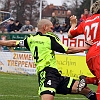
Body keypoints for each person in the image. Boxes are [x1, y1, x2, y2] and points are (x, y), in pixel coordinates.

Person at [0, 19, 97, 100]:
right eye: (51, 28)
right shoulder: (49, 38)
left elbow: (12, 43)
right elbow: (67, 50)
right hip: (47, 74)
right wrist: (84, 48)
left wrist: (1, 42)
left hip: (56, 75)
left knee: (84, 89)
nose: (52, 30)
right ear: (45, 27)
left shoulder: (31, 40)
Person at [68, 1, 100, 100]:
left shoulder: (86, 22)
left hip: (90, 55)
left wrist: (73, 24)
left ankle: (87, 79)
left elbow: (70, 35)